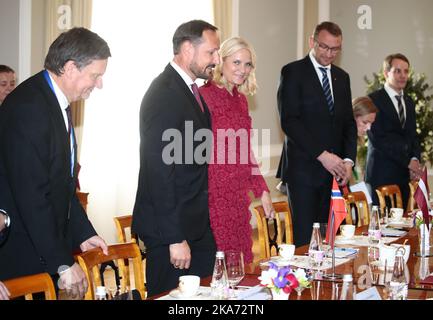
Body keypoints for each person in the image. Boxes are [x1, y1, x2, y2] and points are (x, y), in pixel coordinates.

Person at [0, 27, 110, 299]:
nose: (99, 84)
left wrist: (83, 232)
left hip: (39, 251)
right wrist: (62, 261)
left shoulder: (53, 100)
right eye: (95, 75)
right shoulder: (29, 106)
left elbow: (62, 183)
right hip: (23, 257)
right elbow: (33, 196)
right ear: (71, 68)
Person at [132, 20, 220, 297]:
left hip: (196, 224)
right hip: (170, 232)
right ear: (186, 49)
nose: (216, 60)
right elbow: (159, 172)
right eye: (211, 53)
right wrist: (175, 238)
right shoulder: (164, 94)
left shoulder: (191, 90)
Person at [277, 21, 357, 247]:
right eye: (324, 47)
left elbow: (349, 124)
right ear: (312, 42)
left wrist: (349, 160)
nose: (329, 54)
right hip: (303, 172)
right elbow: (289, 121)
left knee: (332, 240)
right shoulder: (293, 71)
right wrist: (323, 155)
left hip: (334, 174)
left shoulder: (342, 77)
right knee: (307, 241)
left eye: (335, 49)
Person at [199, 37, 275, 264]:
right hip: (214, 196)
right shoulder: (204, 97)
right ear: (221, 61)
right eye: (237, 62)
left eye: (248, 64)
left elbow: (245, 152)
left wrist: (263, 190)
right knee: (218, 266)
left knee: (240, 265)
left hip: (238, 198)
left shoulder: (241, 100)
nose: (243, 70)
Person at [366, 53, 422, 211]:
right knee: (383, 230)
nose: (403, 75)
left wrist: (415, 159)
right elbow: (378, 139)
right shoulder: (373, 100)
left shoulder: (409, 102)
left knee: (403, 226)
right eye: (398, 71)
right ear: (386, 73)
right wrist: (407, 162)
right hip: (381, 174)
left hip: (404, 176)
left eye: (406, 71)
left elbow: (412, 136)